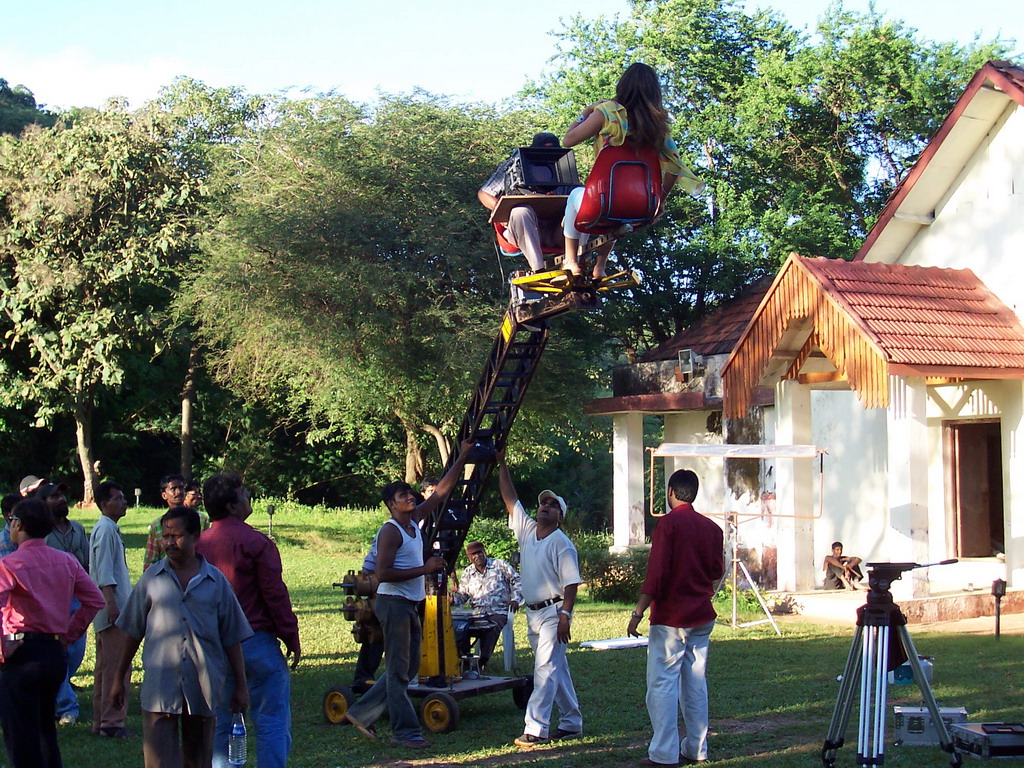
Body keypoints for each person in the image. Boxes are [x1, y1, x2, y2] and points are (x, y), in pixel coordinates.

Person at [344, 440, 473, 749]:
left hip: (410, 603)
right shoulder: (391, 531)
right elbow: (383, 573)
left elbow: (441, 492)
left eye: (410, 493)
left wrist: (463, 456)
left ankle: (361, 712)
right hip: (392, 603)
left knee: (408, 668)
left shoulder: (414, 521)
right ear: (392, 505)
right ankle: (405, 731)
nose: (410, 497)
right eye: (403, 495)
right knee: (400, 670)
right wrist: (425, 568)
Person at [112, 506, 251, 768]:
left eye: (175, 536)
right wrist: (118, 679)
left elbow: (232, 637)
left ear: (195, 536)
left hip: (203, 685)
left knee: (199, 760)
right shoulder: (151, 580)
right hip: (160, 687)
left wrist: (241, 686)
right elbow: (131, 632)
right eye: (165, 536)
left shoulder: (215, 582)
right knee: (159, 761)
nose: (168, 543)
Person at [196, 473, 300, 768]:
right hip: (256, 641)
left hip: (215, 645)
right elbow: (274, 595)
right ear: (232, 506)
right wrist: (290, 636)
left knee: (221, 723)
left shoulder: (199, 545)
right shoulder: (256, 542)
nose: (248, 497)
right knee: (271, 720)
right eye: (243, 492)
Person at [561, 62, 703, 278]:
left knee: (576, 195)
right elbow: (674, 168)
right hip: (641, 204)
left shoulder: (607, 113)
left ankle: (570, 262)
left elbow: (567, 141)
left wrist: (586, 113)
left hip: (603, 201)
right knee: (618, 211)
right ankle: (600, 266)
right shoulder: (658, 124)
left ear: (623, 86)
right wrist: (660, 201)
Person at [627, 469, 724, 766]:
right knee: (695, 684)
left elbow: (656, 574)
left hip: (671, 617)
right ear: (694, 492)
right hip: (701, 615)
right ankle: (696, 748)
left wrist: (638, 611)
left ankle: (664, 753)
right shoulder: (712, 529)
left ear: (670, 491)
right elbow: (716, 572)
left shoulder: (667, 525)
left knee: (662, 685)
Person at [0, 498, 104, 768]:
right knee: (46, 728)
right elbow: (94, 599)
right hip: (54, 653)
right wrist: (68, 634)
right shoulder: (66, 560)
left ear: (18, 524)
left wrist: (2, 649)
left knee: (20, 734)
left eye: (11, 521)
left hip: (21, 651)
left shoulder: (10, 564)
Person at [496, 450, 582, 748]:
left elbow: (571, 584)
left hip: (553, 611)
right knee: (555, 668)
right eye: (544, 502)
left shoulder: (562, 543)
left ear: (560, 516)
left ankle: (536, 728)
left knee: (545, 668)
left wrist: (565, 617)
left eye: (553, 505)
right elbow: (510, 499)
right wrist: (502, 463)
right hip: (532, 613)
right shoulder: (528, 531)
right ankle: (571, 722)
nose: (546, 506)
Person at [479, 132, 570, 272]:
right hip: (522, 230)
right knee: (520, 211)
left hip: (555, 232)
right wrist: (501, 211)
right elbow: (484, 193)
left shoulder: (564, 167)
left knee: (578, 202)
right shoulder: (516, 165)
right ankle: (538, 269)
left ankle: (575, 263)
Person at [40, 481, 90, 727]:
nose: (61, 499)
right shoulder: (40, 535)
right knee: (58, 653)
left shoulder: (78, 529)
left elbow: (87, 565)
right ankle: (67, 707)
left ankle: (53, 697)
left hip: (78, 599)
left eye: (62, 494)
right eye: (53, 496)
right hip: (53, 602)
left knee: (74, 653)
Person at [89, 480, 133, 739]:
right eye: (118, 498)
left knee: (105, 668)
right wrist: (111, 602)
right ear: (105, 504)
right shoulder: (105, 530)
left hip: (108, 608)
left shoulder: (107, 528)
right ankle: (113, 722)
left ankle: (100, 720)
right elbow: (104, 570)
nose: (124, 501)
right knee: (118, 667)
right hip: (113, 608)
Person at [450, 540, 522, 669]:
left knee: (492, 626)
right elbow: (463, 595)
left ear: (484, 552)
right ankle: (464, 660)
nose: (477, 556)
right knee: (460, 627)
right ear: (469, 558)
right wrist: (452, 600)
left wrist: (516, 599)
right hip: (478, 613)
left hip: (498, 611)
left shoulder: (499, 565)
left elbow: (517, 580)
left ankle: (483, 660)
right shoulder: (468, 573)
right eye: (473, 554)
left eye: (479, 552)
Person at [143, 474, 210, 571]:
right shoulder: (157, 525)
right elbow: (150, 562)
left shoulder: (201, 520)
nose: (178, 492)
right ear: (164, 495)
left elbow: (207, 551)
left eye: (181, 488)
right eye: (173, 489)